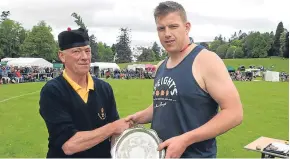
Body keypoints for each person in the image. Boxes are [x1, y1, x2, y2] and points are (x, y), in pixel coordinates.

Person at [126, 1, 243, 158]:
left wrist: (185, 140)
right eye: (161, 28)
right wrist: (138, 117)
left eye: (173, 26)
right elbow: (165, 103)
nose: (167, 33)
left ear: (186, 27)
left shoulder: (206, 60)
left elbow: (234, 113)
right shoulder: (161, 66)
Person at [39, 27, 132, 158]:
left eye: (87, 51)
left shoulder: (104, 88)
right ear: (62, 56)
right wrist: (112, 128)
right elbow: (69, 145)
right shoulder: (53, 91)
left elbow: (115, 136)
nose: (84, 57)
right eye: (76, 52)